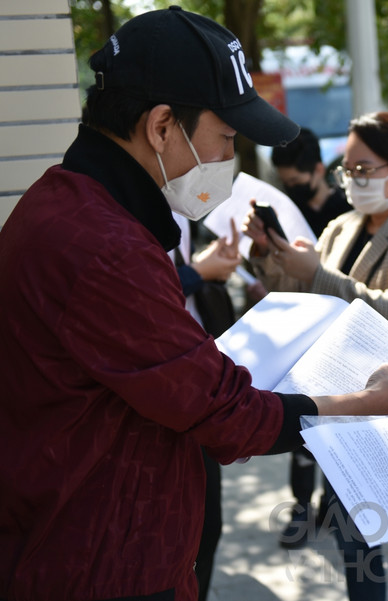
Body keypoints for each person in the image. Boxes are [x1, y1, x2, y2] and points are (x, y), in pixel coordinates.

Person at [0, 8, 388, 601]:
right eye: (227, 138)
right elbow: (225, 414)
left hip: (86, 555)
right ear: (162, 126)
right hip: (97, 575)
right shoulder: (103, 245)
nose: (230, 158)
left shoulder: (72, 205)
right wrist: (363, 405)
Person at [245, 111, 388, 601]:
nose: (353, 179)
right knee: (355, 545)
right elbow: (302, 294)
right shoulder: (342, 226)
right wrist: (269, 253)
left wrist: (317, 272)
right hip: (343, 405)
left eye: (365, 169)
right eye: (348, 169)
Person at [269, 127, 351, 547]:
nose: (292, 190)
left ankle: (330, 506)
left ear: (319, 170)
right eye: (285, 184)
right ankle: (301, 508)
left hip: (342, 341)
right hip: (301, 339)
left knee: (336, 434)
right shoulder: (287, 212)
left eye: (297, 182)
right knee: (301, 430)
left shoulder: (347, 214)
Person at [171, 213, 240, 600]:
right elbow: (142, 293)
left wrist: (208, 264)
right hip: (167, 393)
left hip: (201, 386)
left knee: (207, 526)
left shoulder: (179, 211)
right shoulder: (125, 211)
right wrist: (199, 271)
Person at [271, 126, 350, 236]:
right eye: (285, 182)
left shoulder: (348, 206)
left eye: (295, 181)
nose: (290, 187)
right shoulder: (290, 214)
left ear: (319, 170)